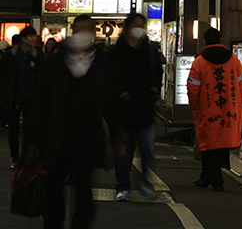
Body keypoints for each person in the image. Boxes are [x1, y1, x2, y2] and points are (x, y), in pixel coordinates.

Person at [39, 15, 118, 229]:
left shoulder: (102, 63)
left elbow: (111, 102)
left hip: (87, 137)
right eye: (78, 29)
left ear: (94, 32)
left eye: (87, 29)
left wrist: (116, 136)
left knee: (83, 188)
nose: (82, 34)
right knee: (54, 187)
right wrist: (33, 137)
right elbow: (41, 100)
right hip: (57, 136)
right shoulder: (56, 61)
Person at [108, 12, 162, 201]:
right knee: (122, 151)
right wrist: (119, 94)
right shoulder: (117, 51)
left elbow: (157, 71)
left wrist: (154, 89)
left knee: (147, 148)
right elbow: (111, 78)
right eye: (136, 25)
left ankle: (144, 181)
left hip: (144, 107)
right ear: (128, 27)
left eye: (142, 25)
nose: (139, 28)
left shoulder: (148, 49)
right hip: (123, 109)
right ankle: (123, 186)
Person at [187, 27, 242, 191]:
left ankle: (217, 181)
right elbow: (241, 83)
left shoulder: (200, 61)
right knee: (220, 142)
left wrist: (193, 105)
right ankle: (205, 177)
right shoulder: (233, 59)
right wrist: (239, 105)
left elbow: (193, 87)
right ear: (220, 40)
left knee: (209, 144)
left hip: (207, 110)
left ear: (205, 42)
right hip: (229, 109)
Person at [0, 24, 42, 166]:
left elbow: (42, 74)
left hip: (29, 97)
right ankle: (14, 157)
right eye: (30, 36)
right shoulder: (11, 55)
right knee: (13, 129)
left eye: (34, 36)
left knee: (29, 129)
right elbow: (3, 74)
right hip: (13, 95)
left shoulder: (37, 55)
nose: (33, 38)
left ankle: (24, 156)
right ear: (23, 38)